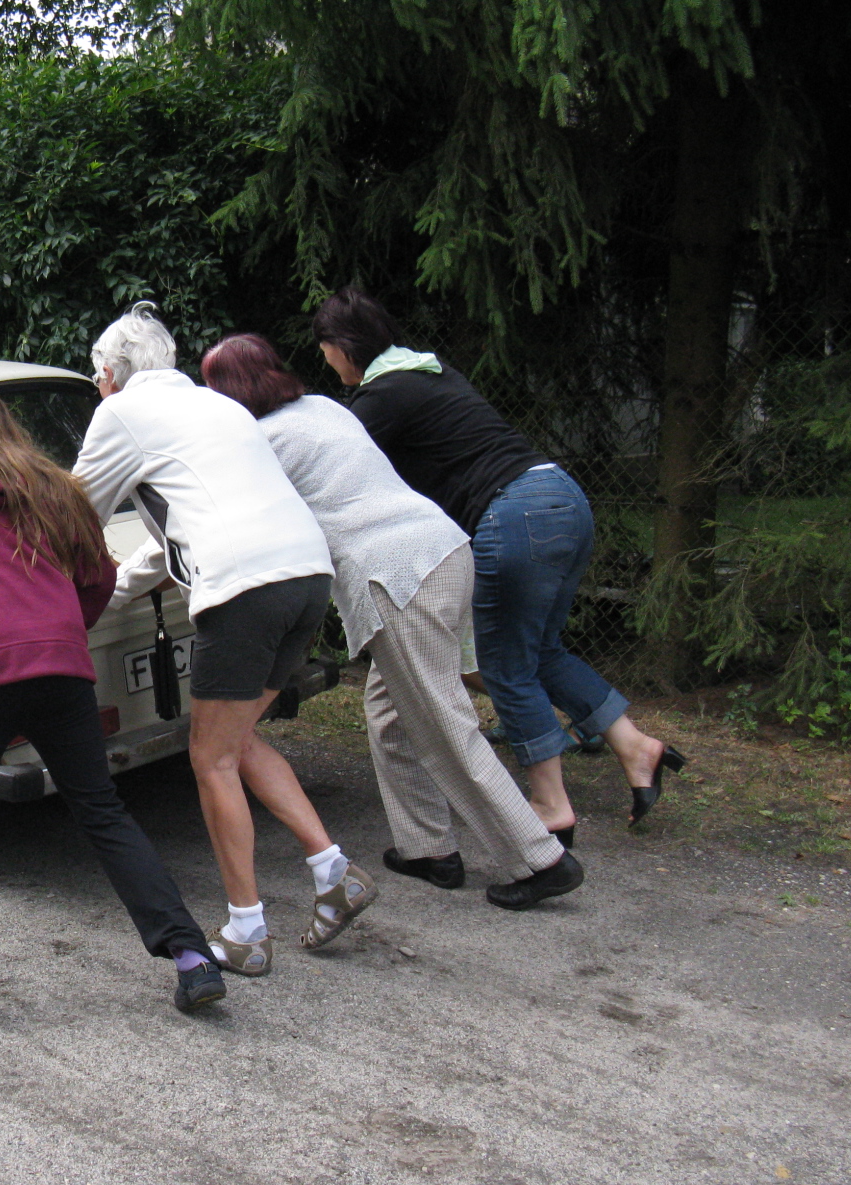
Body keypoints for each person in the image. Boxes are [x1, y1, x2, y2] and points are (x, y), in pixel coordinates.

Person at [0, 383, 225, 1040]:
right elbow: (97, 579)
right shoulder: (55, 488)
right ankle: (190, 957)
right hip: (65, 669)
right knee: (101, 811)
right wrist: (60, 631)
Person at [201, 333, 583, 909]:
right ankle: (427, 847)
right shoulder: (324, 407)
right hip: (444, 551)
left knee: (440, 724)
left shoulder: (263, 440)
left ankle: (539, 858)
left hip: (395, 576)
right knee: (388, 711)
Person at [312, 286, 685, 842]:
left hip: (513, 517)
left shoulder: (383, 396)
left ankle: (550, 803)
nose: (323, 358)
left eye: (324, 347)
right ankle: (636, 747)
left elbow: (333, 466)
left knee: (505, 664)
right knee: (542, 652)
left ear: (343, 347)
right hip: (561, 497)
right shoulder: (430, 373)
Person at [72, 302, 376, 977]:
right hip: (306, 577)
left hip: (243, 590)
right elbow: (191, 525)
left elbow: (72, 517)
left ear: (111, 374)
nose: (98, 388)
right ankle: (334, 876)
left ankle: (244, 929)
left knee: (208, 757)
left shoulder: (120, 414)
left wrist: (57, 592)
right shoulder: (218, 409)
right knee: (237, 743)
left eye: (96, 377)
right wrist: (120, 591)